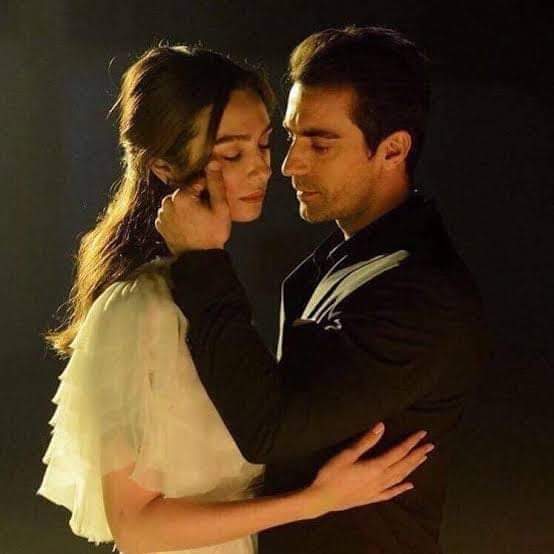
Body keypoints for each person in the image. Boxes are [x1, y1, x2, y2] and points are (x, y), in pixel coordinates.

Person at [37, 44, 433, 554]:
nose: (263, 169)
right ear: (164, 167)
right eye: (231, 154)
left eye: (264, 144)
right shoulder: (139, 306)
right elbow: (136, 527)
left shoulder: (198, 286)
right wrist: (316, 500)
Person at [155, 26, 491, 554]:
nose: (290, 164)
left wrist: (201, 260)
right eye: (292, 137)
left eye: (320, 143)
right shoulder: (340, 259)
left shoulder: (423, 294)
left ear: (392, 149)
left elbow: (268, 429)